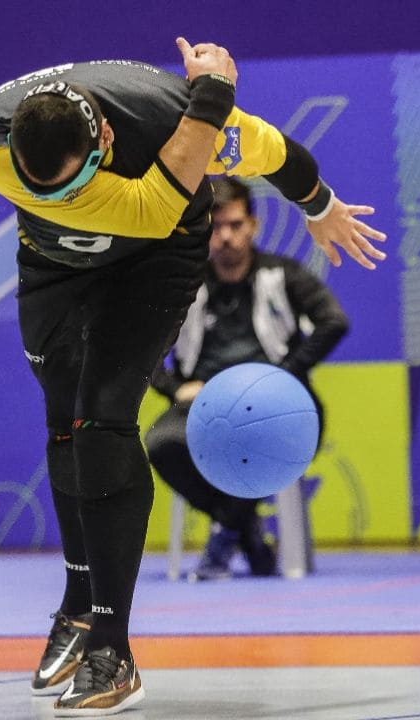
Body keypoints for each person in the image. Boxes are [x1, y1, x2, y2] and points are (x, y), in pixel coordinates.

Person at [0, 39, 385, 715]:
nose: (67, 199)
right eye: (45, 190)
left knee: (101, 417)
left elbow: (279, 158)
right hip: (54, 261)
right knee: (62, 418)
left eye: (75, 185)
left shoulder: (175, 122)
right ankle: (78, 603)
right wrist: (211, 96)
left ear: (105, 139)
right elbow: (126, 199)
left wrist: (319, 205)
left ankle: (112, 650)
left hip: (156, 258)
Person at [147, 177, 348, 581]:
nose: (225, 236)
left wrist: (284, 375)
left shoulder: (283, 274)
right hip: (207, 406)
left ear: (253, 225)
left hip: (277, 405)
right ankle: (244, 531)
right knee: (160, 443)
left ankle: (227, 535)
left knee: (259, 442)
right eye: (216, 226)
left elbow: (334, 321)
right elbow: (142, 349)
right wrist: (175, 388)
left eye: (235, 225)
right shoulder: (183, 285)